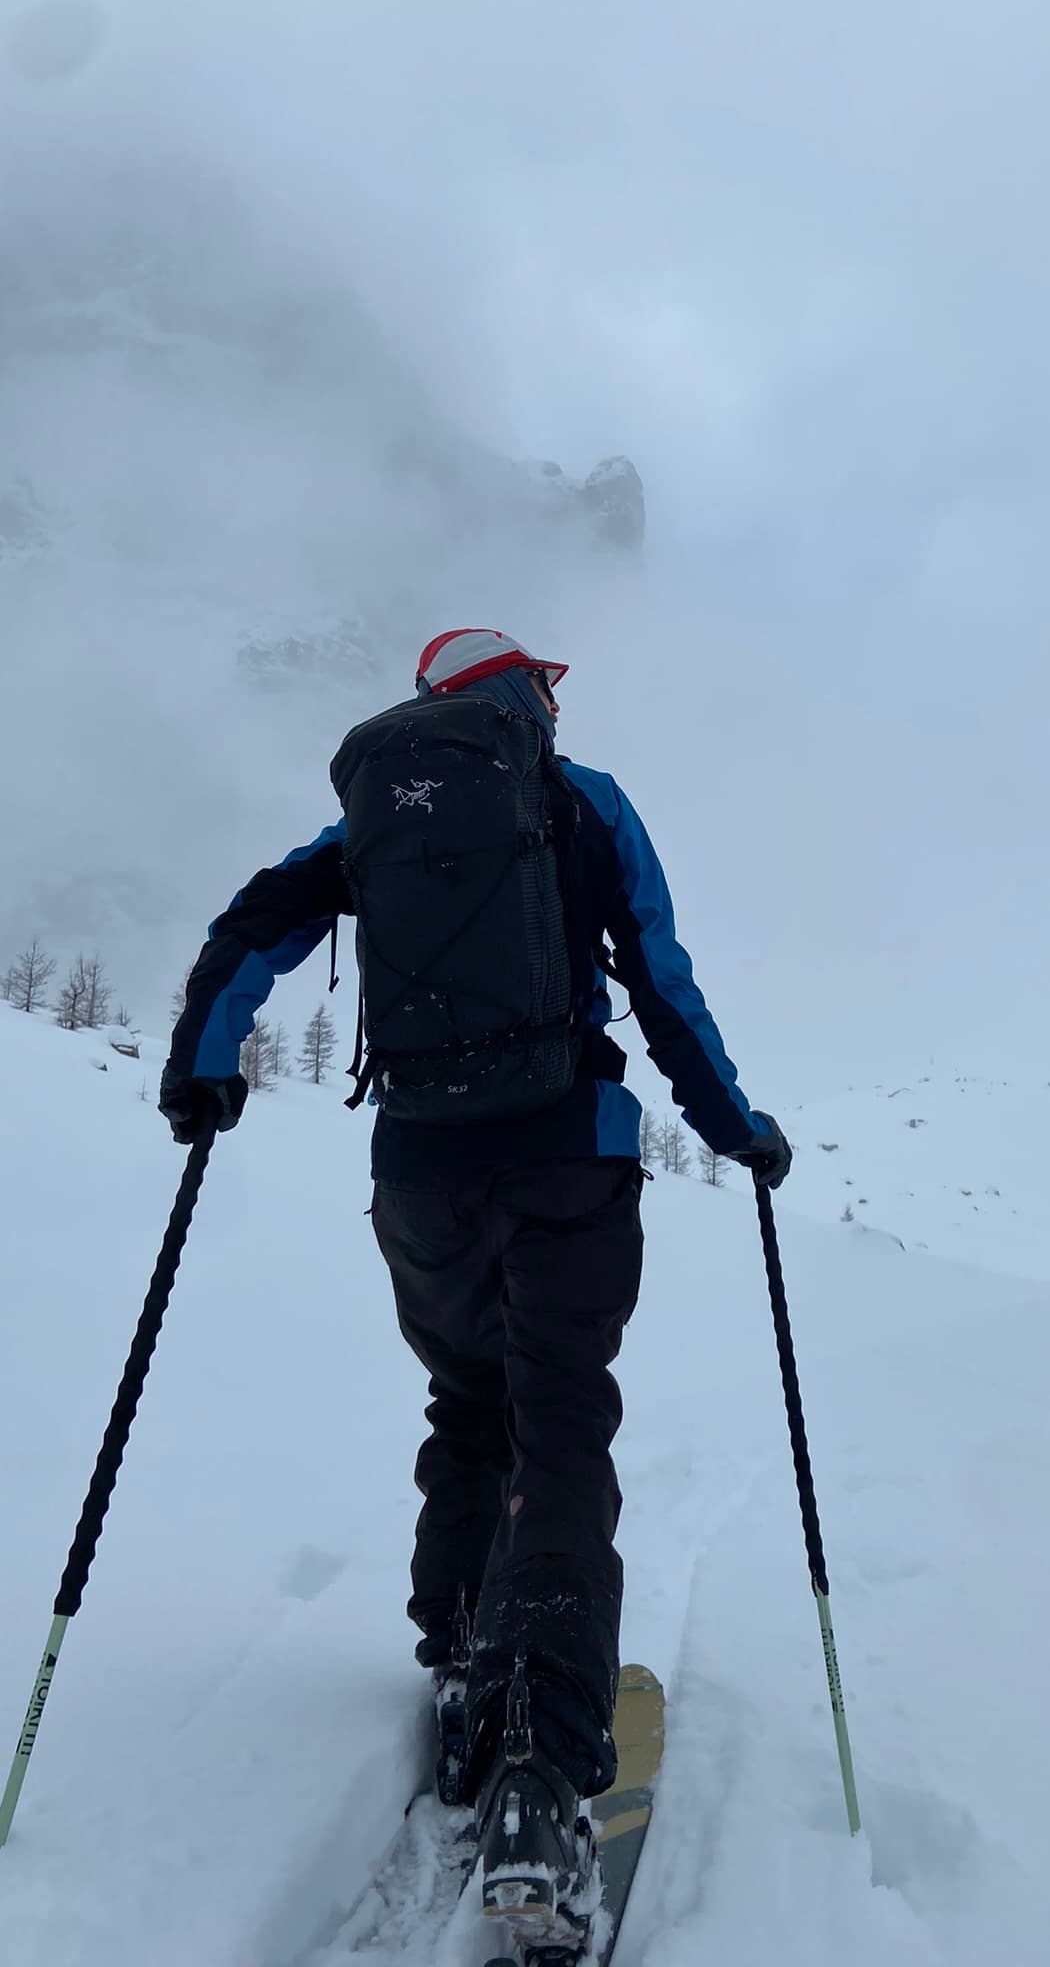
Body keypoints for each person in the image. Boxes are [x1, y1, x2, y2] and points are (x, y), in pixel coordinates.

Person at [161, 627, 791, 1926]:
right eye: (549, 684)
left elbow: (250, 932)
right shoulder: (578, 799)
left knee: (468, 1403)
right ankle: (543, 1769)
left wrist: (204, 1064)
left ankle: (459, 1662)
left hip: (419, 1177)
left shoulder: (377, 824)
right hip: (567, 1160)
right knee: (559, 1417)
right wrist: (738, 1130)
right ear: (526, 695)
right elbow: (662, 982)